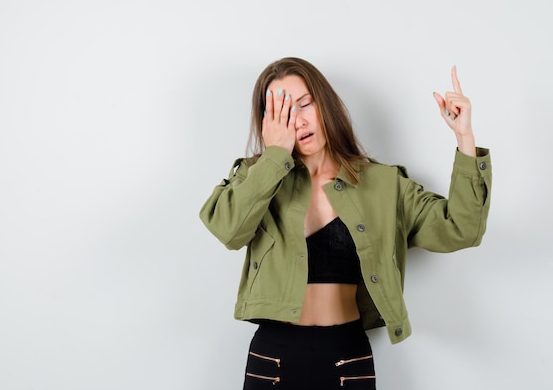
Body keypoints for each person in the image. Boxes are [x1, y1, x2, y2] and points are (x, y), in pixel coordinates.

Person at [199, 57, 491, 390]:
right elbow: (227, 229)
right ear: (268, 124)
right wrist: (274, 157)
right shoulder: (255, 178)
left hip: (346, 356)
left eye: (305, 104)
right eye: (283, 112)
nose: (298, 121)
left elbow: (462, 229)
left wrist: (465, 138)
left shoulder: (383, 183)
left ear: (325, 104)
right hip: (273, 358)